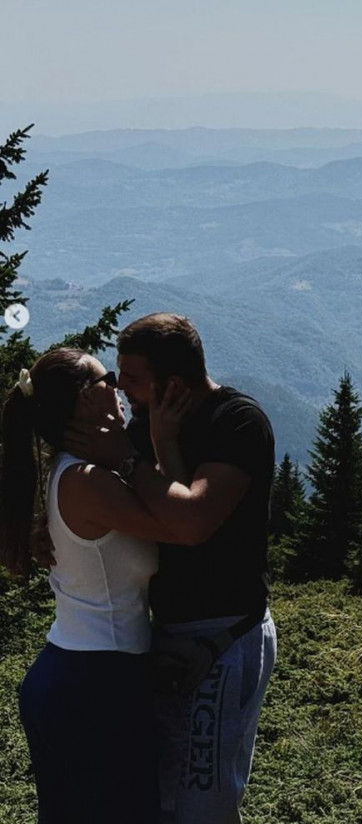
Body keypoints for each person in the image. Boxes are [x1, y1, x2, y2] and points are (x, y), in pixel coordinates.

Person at [65, 312, 277, 824]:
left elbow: (190, 523)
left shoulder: (237, 423)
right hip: (167, 634)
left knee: (203, 803)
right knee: (161, 800)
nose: (120, 386)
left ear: (174, 385)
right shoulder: (147, 426)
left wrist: (138, 457)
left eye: (132, 377)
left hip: (224, 633)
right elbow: (149, 513)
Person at [0, 347, 190, 824]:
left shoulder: (71, 472)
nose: (119, 386)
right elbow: (181, 525)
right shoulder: (87, 481)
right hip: (98, 684)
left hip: (75, 674)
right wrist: (161, 441)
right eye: (107, 378)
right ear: (86, 398)